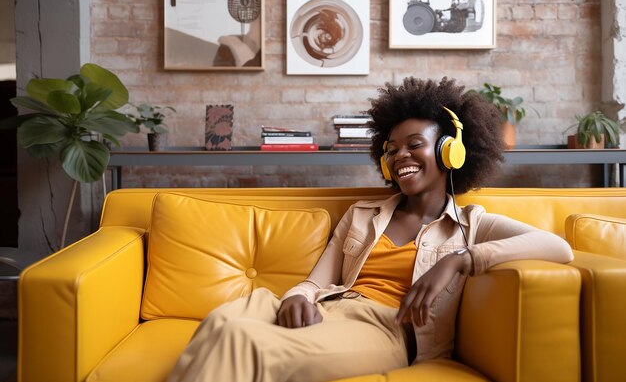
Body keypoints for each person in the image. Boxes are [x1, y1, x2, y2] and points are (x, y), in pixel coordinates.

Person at [167, 77, 574, 382]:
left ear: (451, 150)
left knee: (243, 342)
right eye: (392, 149)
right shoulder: (362, 214)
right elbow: (315, 282)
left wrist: (459, 260)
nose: (401, 156)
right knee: (223, 321)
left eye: (415, 144)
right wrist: (296, 297)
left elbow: (556, 246)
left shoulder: (471, 225)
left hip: (386, 330)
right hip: (327, 307)